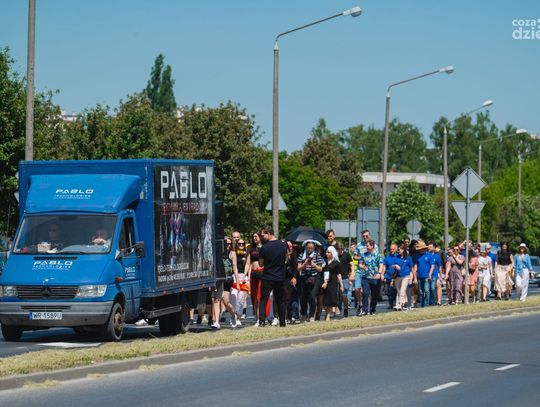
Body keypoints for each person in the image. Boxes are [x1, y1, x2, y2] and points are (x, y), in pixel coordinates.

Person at [257, 227, 288, 327]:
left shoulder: (264, 248)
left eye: (263, 235)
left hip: (267, 277)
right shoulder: (283, 245)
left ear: (269, 233)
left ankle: (262, 322)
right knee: (280, 301)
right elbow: (286, 259)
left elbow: (261, 264)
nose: (262, 237)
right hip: (280, 277)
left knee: (263, 300)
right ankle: (282, 322)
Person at [212, 238, 241, 329]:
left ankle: (233, 314)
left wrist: (237, 282)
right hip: (218, 279)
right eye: (226, 244)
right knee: (216, 300)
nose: (228, 245)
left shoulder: (232, 254)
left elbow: (235, 268)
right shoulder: (217, 253)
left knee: (225, 301)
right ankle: (216, 322)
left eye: (229, 244)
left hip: (227, 279)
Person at [298, 240, 325, 322]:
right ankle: (303, 314)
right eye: (308, 248)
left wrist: (314, 265)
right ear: (305, 247)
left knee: (312, 297)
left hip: (315, 278)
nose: (310, 250)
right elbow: (298, 268)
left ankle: (311, 315)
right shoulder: (302, 255)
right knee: (303, 297)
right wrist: (304, 264)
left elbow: (320, 269)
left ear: (314, 248)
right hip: (304, 277)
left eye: (311, 248)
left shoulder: (317, 255)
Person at [357, 240, 384, 316]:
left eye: (368, 246)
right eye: (366, 246)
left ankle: (372, 310)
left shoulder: (378, 255)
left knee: (374, 295)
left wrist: (379, 273)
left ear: (372, 246)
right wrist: (363, 267)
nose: (366, 247)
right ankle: (365, 310)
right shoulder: (363, 255)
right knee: (365, 293)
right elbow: (360, 264)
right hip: (366, 276)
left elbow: (381, 265)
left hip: (375, 277)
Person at [245, 232, 263, 322]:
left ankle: (262, 316)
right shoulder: (251, 248)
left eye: (256, 236)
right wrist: (245, 275)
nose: (254, 238)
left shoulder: (264, 247)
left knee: (261, 296)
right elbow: (248, 263)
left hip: (262, 272)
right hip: (253, 273)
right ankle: (257, 317)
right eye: (253, 236)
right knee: (254, 297)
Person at [322, 246, 343, 321]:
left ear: (332, 253)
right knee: (324, 299)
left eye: (329, 252)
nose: (327, 253)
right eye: (326, 252)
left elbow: (339, 274)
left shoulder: (336, 263)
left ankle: (328, 315)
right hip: (324, 281)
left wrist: (341, 285)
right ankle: (330, 312)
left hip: (333, 282)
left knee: (330, 298)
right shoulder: (324, 262)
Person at [394, 244, 414, 311]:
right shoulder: (396, 257)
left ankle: (400, 304)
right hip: (398, 276)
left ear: (403, 250)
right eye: (398, 249)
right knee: (398, 291)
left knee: (402, 290)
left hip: (406, 276)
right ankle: (398, 304)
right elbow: (392, 265)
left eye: (400, 249)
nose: (399, 250)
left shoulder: (408, 257)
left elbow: (411, 268)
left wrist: (412, 277)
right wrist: (395, 266)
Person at [336, 242, 354, 317]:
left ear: (342, 249)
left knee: (344, 295)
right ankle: (338, 309)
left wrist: (352, 275)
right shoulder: (335, 256)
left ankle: (345, 308)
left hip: (345, 277)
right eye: (337, 249)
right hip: (336, 277)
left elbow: (352, 264)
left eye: (340, 249)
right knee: (337, 295)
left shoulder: (347, 255)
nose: (338, 251)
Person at [413, 241, 432, 307]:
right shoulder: (417, 256)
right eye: (419, 249)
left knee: (426, 290)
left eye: (421, 249)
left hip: (426, 276)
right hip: (419, 276)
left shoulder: (429, 255)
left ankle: (426, 304)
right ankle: (422, 304)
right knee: (421, 291)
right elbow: (415, 266)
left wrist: (430, 274)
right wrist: (415, 277)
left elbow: (432, 266)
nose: (420, 250)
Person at [383, 243, 400, 309]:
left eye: (393, 249)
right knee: (389, 291)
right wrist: (383, 275)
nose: (392, 250)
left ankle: (396, 303)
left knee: (395, 291)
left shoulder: (398, 257)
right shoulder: (387, 257)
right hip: (388, 276)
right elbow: (384, 266)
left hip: (397, 277)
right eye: (391, 249)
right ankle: (390, 304)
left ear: (396, 249)